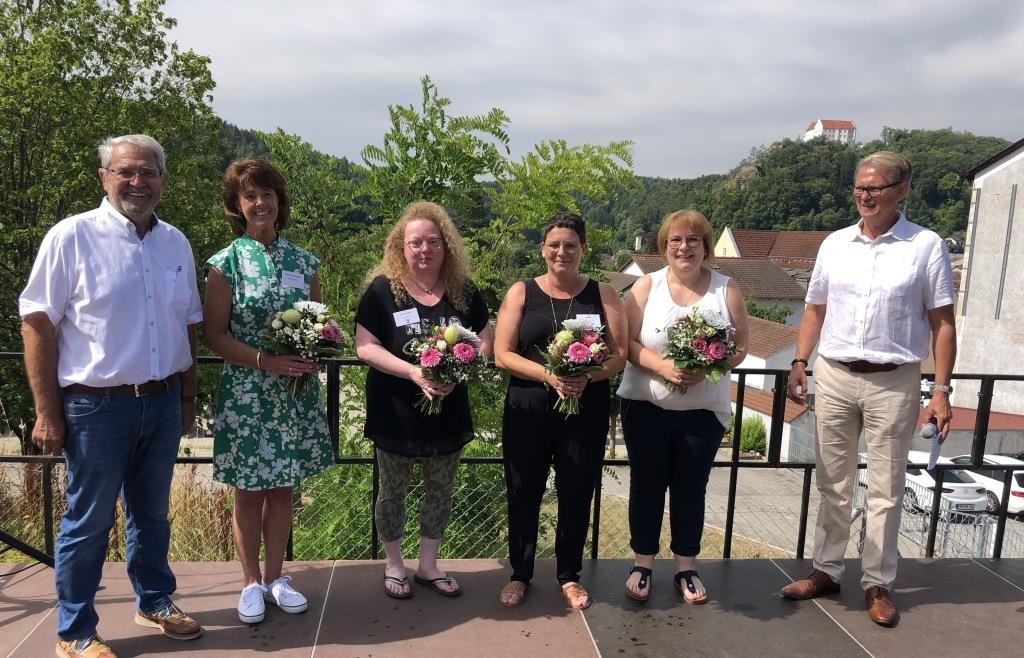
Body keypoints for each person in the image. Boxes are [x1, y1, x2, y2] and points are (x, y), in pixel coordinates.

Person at [20, 134, 204, 658]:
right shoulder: (71, 237)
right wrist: (46, 412)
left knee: (152, 514)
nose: (137, 182)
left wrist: (187, 401)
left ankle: (155, 602)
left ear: (163, 181)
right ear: (104, 178)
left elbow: (188, 324)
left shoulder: (176, 242)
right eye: (125, 172)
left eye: (147, 172)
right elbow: (36, 324)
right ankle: (75, 631)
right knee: (89, 521)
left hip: (162, 400)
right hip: (95, 405)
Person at [782, 151, 956, 627]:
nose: (864, 194)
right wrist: (800, 361)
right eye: (860, 186)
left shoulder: (925, 245)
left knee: (885, 489)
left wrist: (940, 390)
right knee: (832, 482)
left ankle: (877, 582)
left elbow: (943, 324)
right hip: (834, 374)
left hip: (894, 381)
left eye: (875, 187)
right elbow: (814, 309)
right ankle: (826, 570)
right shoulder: (836, 243)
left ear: (901, 191)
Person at [204, 158, 333, 624]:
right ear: (237, 206)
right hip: (247, 392)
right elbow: (213, 335)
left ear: (280, 203)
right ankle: (250, 583)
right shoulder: (226, 262)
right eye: (250, 196)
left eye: (268, 195)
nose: (261, 203)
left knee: (282, 488)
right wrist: (266, 360)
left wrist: (314, 348)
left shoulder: (304, 260)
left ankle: (278, 578)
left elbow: (317, 322)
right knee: (248, 491)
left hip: (292, 392)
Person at [354, 200, 493, 600]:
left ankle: (428, 565)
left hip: (448, 412)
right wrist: (414, 371)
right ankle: (394, 564)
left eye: (433, 241)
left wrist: (457, 371)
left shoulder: (465, 292)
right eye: (415, 243)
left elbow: (485, 340)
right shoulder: (383, 290)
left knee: (441, 490)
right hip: (395, 411)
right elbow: (365, 346)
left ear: (446, 246)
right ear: (401, 248)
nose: (424, 249)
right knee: (391, 491)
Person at [493, 211, 628, 610]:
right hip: (527, 410)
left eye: (571, 245)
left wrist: (587, 377)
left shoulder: (603, 294)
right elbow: (502, 354)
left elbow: (620, 355)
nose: (562, 252)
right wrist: (549, 376)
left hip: (584, 410)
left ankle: (569, 575)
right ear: (542, 249)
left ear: (583, 249)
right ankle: (520, 574)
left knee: (576, 492)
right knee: (522, 491)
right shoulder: (521, 292)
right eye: (554, 245)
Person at [617, 210, 749, 605]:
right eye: (675, 240)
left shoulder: (726, 289)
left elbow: (740, 347)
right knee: (646, 486)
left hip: (703, 412)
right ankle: (642, 564)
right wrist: (663, 367)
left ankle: (685, 568)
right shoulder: (645, 286)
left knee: (691, 489)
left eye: (693, 239)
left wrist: (711, 364)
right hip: (645, 408)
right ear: (664, 246)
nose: (684, 247)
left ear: (706, 245)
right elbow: (625, 343)